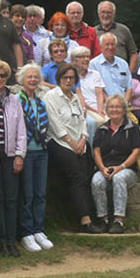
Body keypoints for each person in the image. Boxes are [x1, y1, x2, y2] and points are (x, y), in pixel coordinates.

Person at [90, 33, 140, 183]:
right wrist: (111, 105)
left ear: (116, 47)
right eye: (107, 45)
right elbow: (98, 89)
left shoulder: (123, 63)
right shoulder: (94, 64)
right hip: (106, 106)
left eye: (112, 45)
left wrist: (123, 105)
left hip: (124, 107)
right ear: (101, 46)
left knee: (136, 129)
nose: (110, 47)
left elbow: (129, 88)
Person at [44, 64, 103, 233]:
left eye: (71, 78)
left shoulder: (75, 97)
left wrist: (84, 139)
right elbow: (55, 124)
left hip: (80, 144)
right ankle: (85, 221)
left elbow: (83, 120)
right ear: (59, 79)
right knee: (77, 177)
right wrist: (72, 143)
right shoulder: (51, 96)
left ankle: (96, 216)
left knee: (87, 176)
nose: (69, 81)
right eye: (65, 78)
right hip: (61, 143)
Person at [0, 60, 27, 258]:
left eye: (2, 75)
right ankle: (0, 241)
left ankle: (12, 240)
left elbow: (21, 129)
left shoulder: (14, 99)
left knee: (11, 198)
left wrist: (20, 154)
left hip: (10, 154)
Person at [91, 95, 140, 234]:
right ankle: (103, 219)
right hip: (105, 168)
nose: (114, 109)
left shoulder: (133, 128)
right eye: (111, 107)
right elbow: (96, 151)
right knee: (96, 180)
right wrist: (102, 168)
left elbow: (136, 152)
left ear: (124, 109)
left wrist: (120, 167)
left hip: (127, 169)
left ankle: (119, 220)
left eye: (118, 107)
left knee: (119, 178)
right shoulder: (101, 129)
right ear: (107, 110)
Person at [16, 63, 52, 252]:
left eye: (35, 77)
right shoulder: (16, 99)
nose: (32, 80)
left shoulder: (41, 102)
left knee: (40, 193)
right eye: (29, 77)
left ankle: (39, 229)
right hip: (26, 152)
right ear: (22, 79)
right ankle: (27, 232)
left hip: (41, 150)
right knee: (27, 194)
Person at [70, 46, 106, 144]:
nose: (86, 59)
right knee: (94, 122)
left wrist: (100, 109)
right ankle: (92, 152)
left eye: (87, 57)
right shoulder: (71, 76)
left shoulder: (95, 74)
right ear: (74, 60)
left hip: (99, 108)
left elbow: (100, 94)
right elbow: (79, 97)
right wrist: (95, 111)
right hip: (85, 108)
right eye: (82, 57)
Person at [95, 1, 138, 70]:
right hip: (100, 72)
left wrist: (130, 72)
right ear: (99, 13)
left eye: (109, 12)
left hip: (120, 71)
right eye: (103, 12)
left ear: (114, 14)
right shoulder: (93, 32)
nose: (105, 15)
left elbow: (133, 53)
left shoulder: (123, 30)